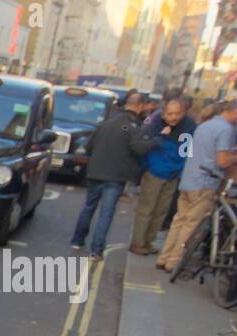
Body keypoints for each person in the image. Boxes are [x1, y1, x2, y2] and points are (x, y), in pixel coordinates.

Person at [69, 92, 155, 261]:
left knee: (88, 208)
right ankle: (96, 251)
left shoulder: (105, 122)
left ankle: (77, 241)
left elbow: (88, 146)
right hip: (115, 177)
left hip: (95, 172)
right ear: (139, 106)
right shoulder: (132, 126)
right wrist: (155, 142)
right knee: (106, 214)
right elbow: (139, 149)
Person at [159, 100, 237, 273]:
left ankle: (163, 257)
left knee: (179, 221)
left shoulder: (205, 125)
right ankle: (174, 262)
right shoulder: (226, 130)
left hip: (188, 179)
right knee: (191, 224)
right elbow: (222, 161)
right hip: (205, 183)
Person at [129, 98, 194, 255]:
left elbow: (186, 151)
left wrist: (181, 170)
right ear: (163, 114)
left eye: (177, 114)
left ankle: (148, 242)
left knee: (161, 211)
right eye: (170, 114)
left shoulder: (190, 126)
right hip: (154, 172)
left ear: (184, 113)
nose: (174, 117)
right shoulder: (154, 123)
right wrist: (161, 138)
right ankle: (138, 243)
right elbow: (141, 147)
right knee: (147, 210)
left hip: (173, 174)